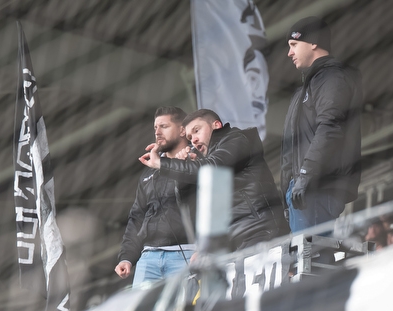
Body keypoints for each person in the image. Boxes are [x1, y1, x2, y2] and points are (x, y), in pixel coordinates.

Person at [139, 109, 289, 250]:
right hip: (232, 241)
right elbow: (185, 201)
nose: (194, 140)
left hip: (259, 231)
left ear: (216, 125)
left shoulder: (237, 139)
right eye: (190, 138)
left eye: (197, 130)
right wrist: (185, 165)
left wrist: (161, 163)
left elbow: (213, 168)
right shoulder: (204, 159)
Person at [282, 16, 363, 233]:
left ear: (313, 42)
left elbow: (331, 127)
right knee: (305, 261)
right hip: (304, 187)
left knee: (311, 262)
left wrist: (306, 173)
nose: (289, 53)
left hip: (317, 186)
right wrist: (286, 188)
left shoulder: (332, 78)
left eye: (294, 45)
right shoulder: (306, 87)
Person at [115, 107, 196, 287]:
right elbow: (137, 217)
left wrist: (168, 164)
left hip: (186, 254)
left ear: (183, 130)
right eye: (155, 127)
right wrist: (127, 257)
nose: (157, 132)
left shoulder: (196, 161)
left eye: (164, 126)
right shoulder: (148, 172)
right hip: (148, 257)